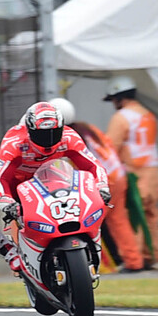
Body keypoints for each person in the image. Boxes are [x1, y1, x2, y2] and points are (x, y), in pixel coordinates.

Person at [0, 101, 111, 272]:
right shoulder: (14, 141)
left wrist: (102, 186)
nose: (49, 141)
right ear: (29, 130)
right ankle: (8, 251)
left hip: (52, 178)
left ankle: (86, 244)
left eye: (54, 133)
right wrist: (5, 201)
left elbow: (93, 166)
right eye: (42, 135)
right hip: (15, 183)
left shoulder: (69, 137)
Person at [49, 97, 145, 273]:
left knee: (91, 222)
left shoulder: (65, 137)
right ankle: (134, 261)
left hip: (104, 180)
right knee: (118, 220)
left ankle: (103, 265)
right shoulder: (88, 128)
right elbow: (108, 145)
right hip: (117, 174)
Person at [104, 75, 158, 268]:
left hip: (134, 174)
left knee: (133, 216)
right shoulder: (148, 115)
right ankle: (152, 257)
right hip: (153, 173)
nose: (113, 104)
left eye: (113, 99)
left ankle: (134, 260)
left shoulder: (121, 118)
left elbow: (110, 146)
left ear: (119, 97)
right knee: (151, 216)